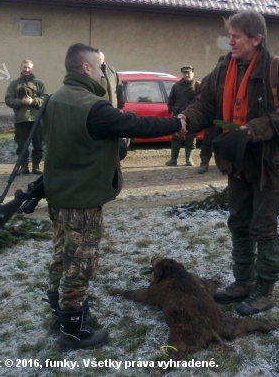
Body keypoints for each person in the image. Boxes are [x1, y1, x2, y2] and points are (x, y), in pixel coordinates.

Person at [42, 43, 185, 349]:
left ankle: (62, 313)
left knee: (60, 258)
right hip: (81, 200)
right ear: (86, 69)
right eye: (102, 66)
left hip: (58, 194)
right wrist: (176, 122)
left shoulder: (56, 98)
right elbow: (136, 124)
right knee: (80, 264)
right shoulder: (92, 106)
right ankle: (73, 330)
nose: (105, 71)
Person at [179, 10, 279, 316]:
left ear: (256, 39)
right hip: (235, 160)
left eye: (236, 36)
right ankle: (243, 282)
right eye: (230, 35)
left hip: (268, 163)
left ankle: (265, 290)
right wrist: (185, 118)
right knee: (238, 222)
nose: (230, 41)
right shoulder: (224, 68)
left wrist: (254, 129)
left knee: (263, 227)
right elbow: (205, 103)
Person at [5, 60, 49, 175]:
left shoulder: (39, 84)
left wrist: (33, 101)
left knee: (38, 144)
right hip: (21, 120)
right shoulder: (14, 84)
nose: (27, 70)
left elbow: (45, 98)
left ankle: (36, 167)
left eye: (29, 68)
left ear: (32, 69)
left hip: (37, 119)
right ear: (21, 68)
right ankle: (24, 167)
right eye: (25, 67)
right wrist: (21, 101)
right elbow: (8, 100)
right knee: (22, 145)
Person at [165, 66, 201, 166]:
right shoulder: (176, 85)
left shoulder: (198, 85)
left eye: (188, 73)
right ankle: (173, 159)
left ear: (193, 73)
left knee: (191, 137)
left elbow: (201, 97)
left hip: (192, 115)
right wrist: (171, 110)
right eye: (184, 73)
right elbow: (171, 99)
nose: (186, 75)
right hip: (178, 115)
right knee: (176, 137)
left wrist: (193, 105)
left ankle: (189, 159)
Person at [196, 56, 225, 174]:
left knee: (225, 141)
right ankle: (204, 163)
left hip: (227, 117)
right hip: (212, 116)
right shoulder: (209, 78)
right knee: (208, 140)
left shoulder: (233, 78)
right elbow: (199, 97)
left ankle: (224, 164)